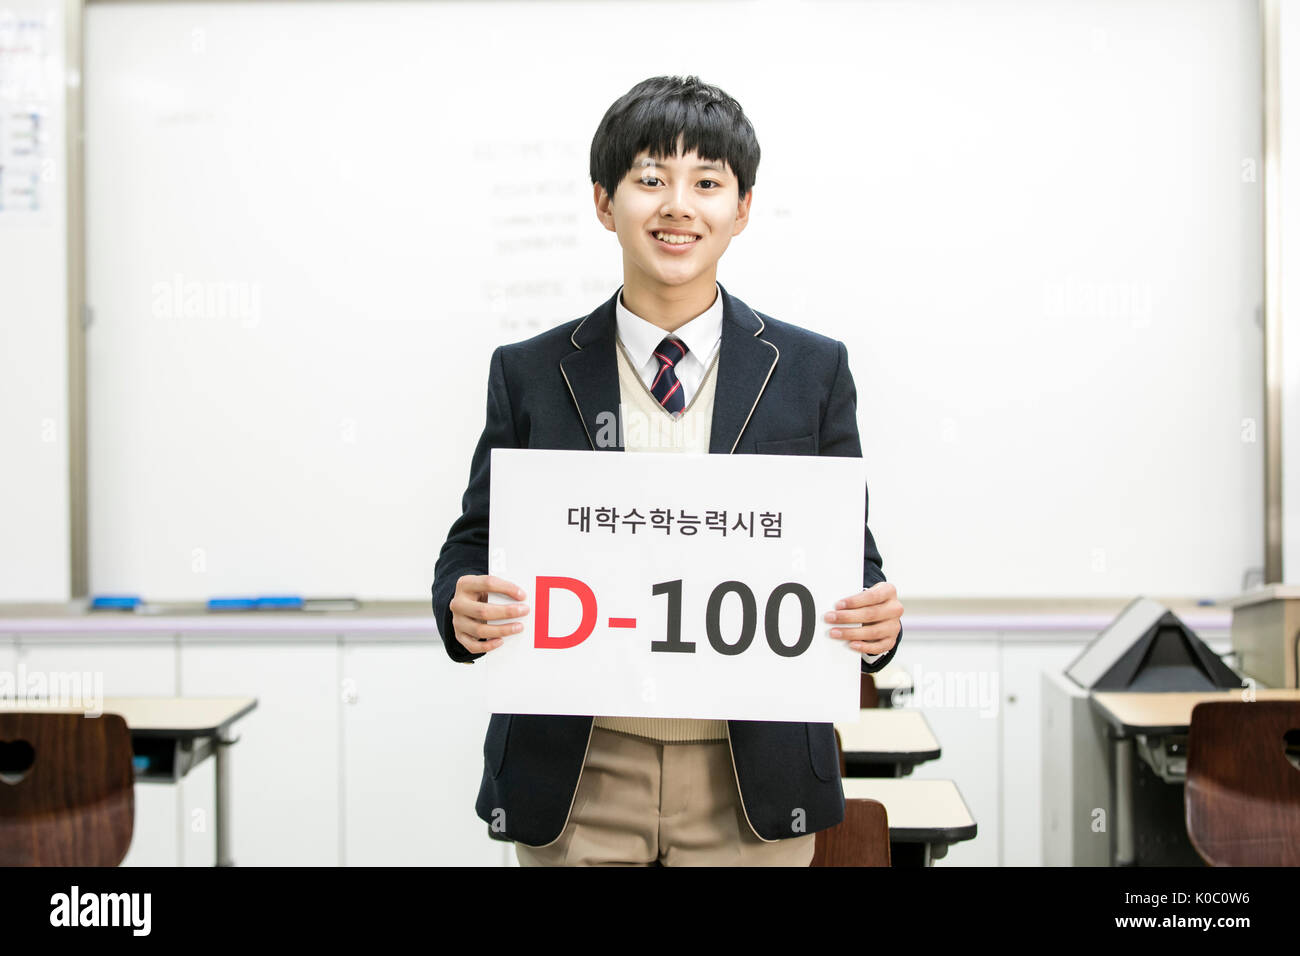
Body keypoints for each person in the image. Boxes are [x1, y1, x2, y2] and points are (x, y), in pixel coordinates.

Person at [431, 75, 903, 866]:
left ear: (742, 209)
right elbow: (475, 544)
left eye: (707, 183)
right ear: (603, 202)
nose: (677, 206)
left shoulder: (812, 371)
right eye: (650, 179)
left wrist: (879, 625)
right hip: (580, 775)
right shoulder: (530, 372)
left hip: (748, 778)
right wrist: (459, 600)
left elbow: (849, 560)